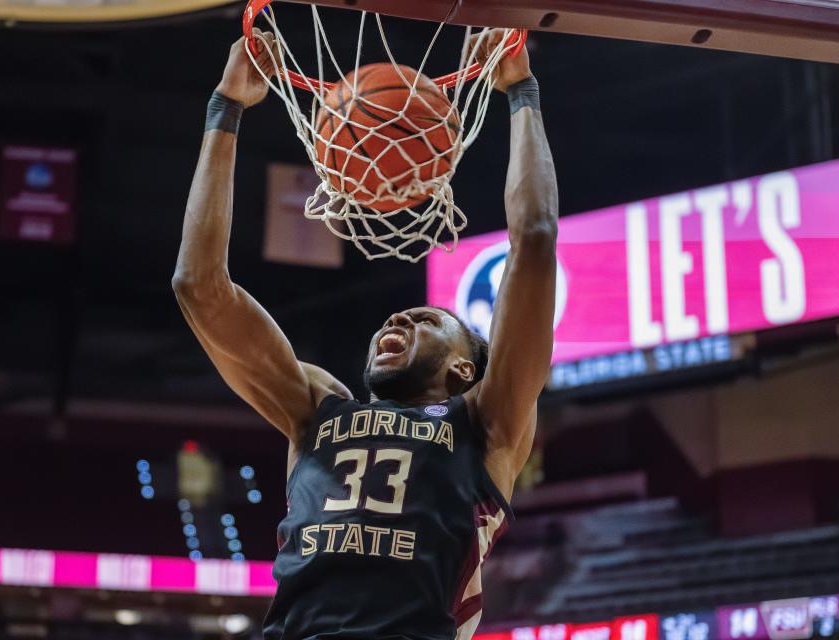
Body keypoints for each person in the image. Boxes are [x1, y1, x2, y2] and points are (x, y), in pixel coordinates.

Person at [172, 28, 558, 640]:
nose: (398, 319)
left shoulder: (487, 424)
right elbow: (199, 286)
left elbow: (534, 239)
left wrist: (521, 93)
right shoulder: (316, 411)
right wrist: (226, 109)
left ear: (464, 369)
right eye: (397, 318)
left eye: (426, 322)